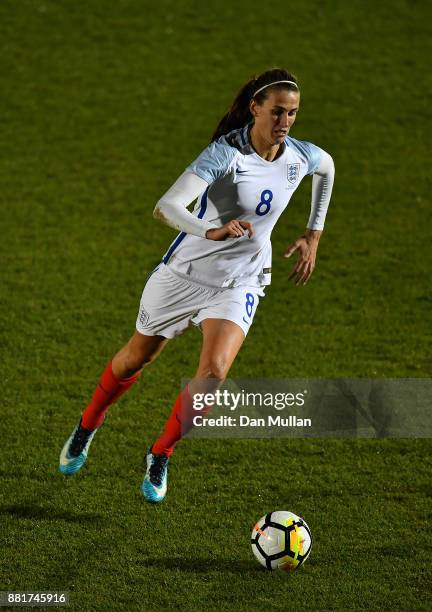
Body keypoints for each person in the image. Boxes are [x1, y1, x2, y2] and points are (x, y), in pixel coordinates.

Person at [59, 67, 335, 503]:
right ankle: (87, 426)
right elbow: (165, 207)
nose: (285, 122)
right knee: (134, 359)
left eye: (293, 114)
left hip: (238, 282)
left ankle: (160, 453)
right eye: (278, 112)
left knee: (214, 374)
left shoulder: (298, 156)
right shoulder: (225, 155)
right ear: (255, 109)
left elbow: (328, 166)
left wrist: (313, 235)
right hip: (183, 276)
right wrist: (211, 231)